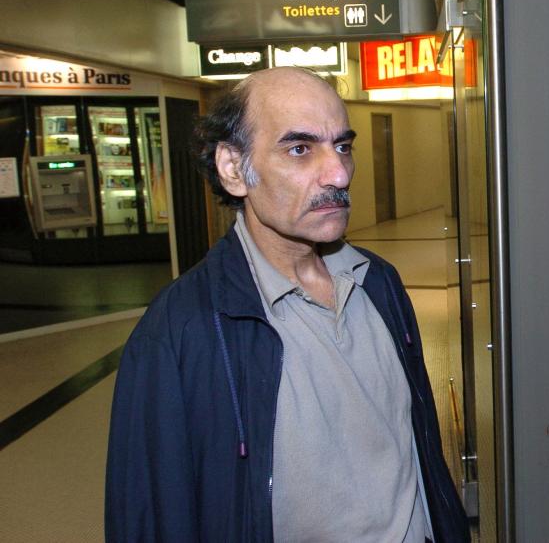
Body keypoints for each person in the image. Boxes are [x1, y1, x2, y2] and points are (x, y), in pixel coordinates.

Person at [105, 67, 469, 542]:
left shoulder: (378, 284)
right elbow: (151, 514)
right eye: (300, 149)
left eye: (342, 145)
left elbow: (418, 448)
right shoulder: (180, 332)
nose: (338, 173)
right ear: (234, 169)